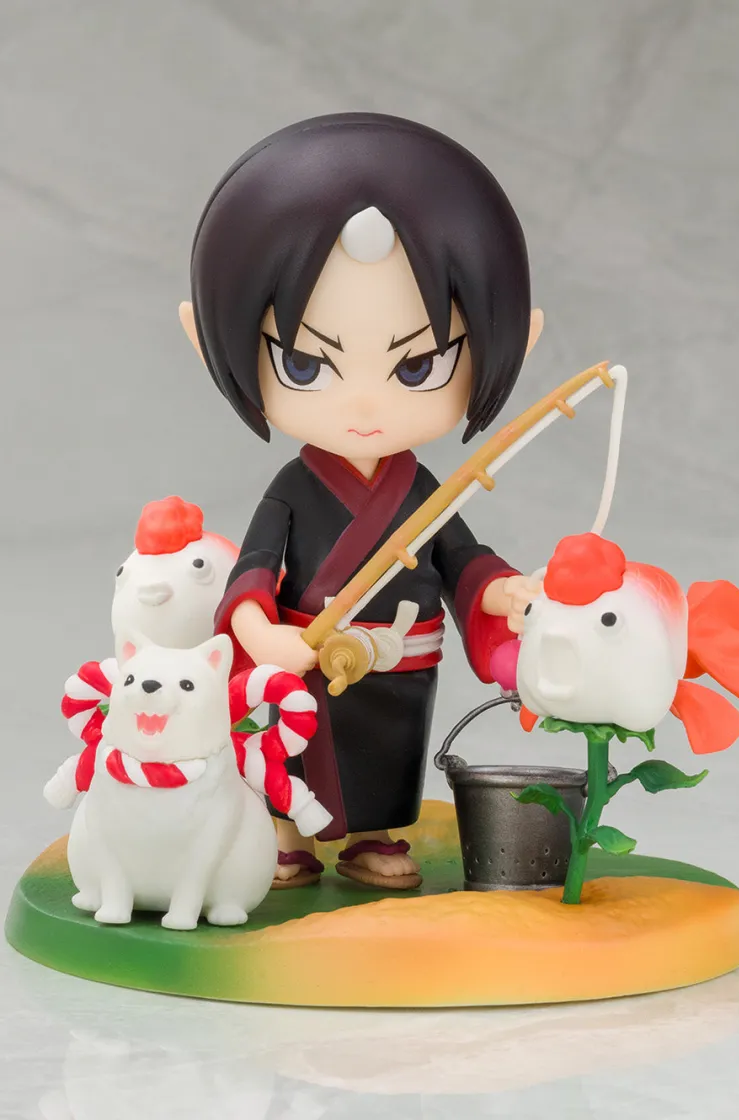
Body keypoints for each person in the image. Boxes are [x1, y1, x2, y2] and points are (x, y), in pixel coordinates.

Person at [179, 113, 541, 890]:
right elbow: (255, 569)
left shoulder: (422, 491)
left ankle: (375, 836)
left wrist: (501, 591)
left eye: (418, 368)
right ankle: (288, 838)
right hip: (309, 655)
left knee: (387, 758)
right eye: (305, 365)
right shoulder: (295, 488)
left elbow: (462, 559)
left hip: (397, 667)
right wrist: (259, 632)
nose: (365, 404)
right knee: (294, 749)